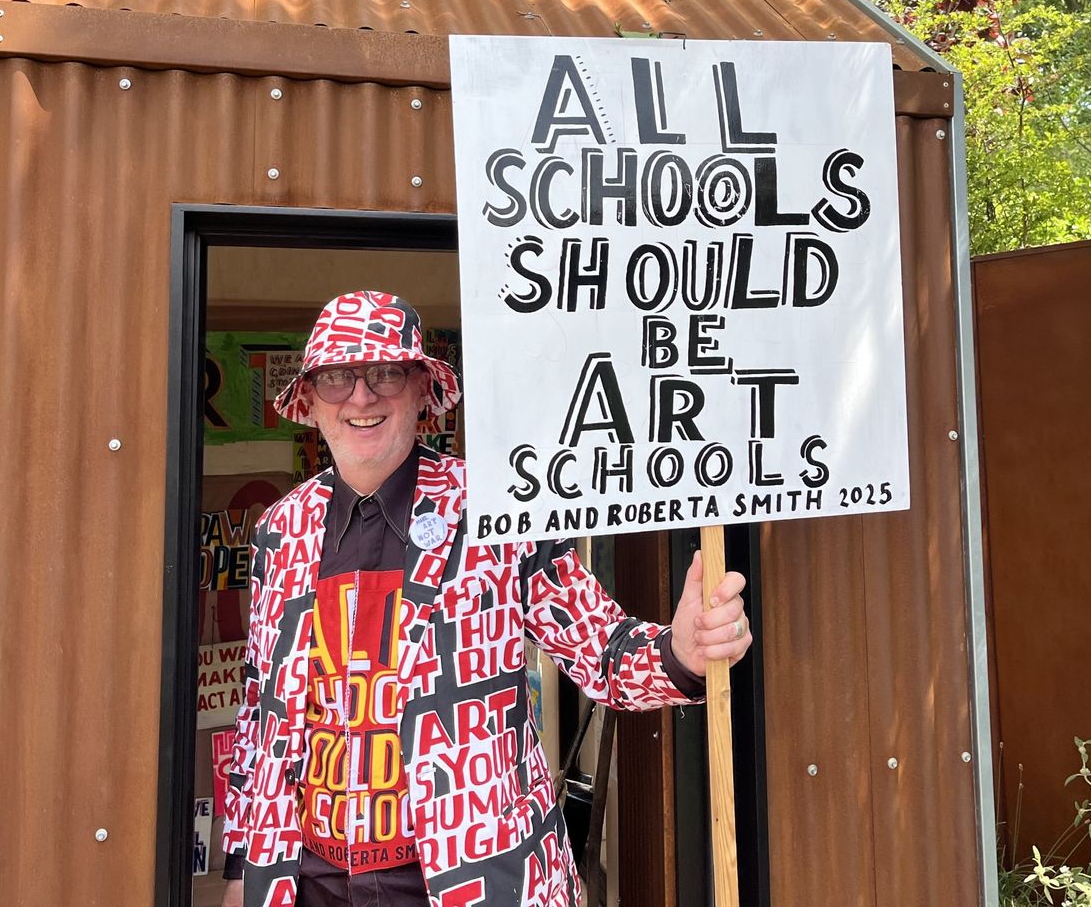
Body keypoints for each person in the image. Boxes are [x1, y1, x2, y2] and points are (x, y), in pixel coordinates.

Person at [221, 290, 752, 907]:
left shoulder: (496, 511)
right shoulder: (279, 531)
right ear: (310, 400)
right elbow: (262, 715)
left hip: (474, 880)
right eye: (339, 377)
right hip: (307, 882)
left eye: (386, 372)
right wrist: (241, 867)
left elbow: (602, 650)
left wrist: (679, 653)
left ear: (422, 390)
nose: (361, 396)